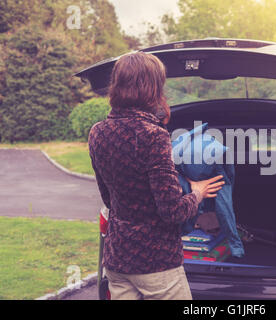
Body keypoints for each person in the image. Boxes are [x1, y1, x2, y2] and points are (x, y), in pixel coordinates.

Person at [88, 52, 224, 300]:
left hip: (118, 260)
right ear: (152, 87)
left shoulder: (97, 132)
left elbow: (110, 201)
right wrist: (197, 192)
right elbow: (172, 211)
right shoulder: (153, 135)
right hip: (155, 264)